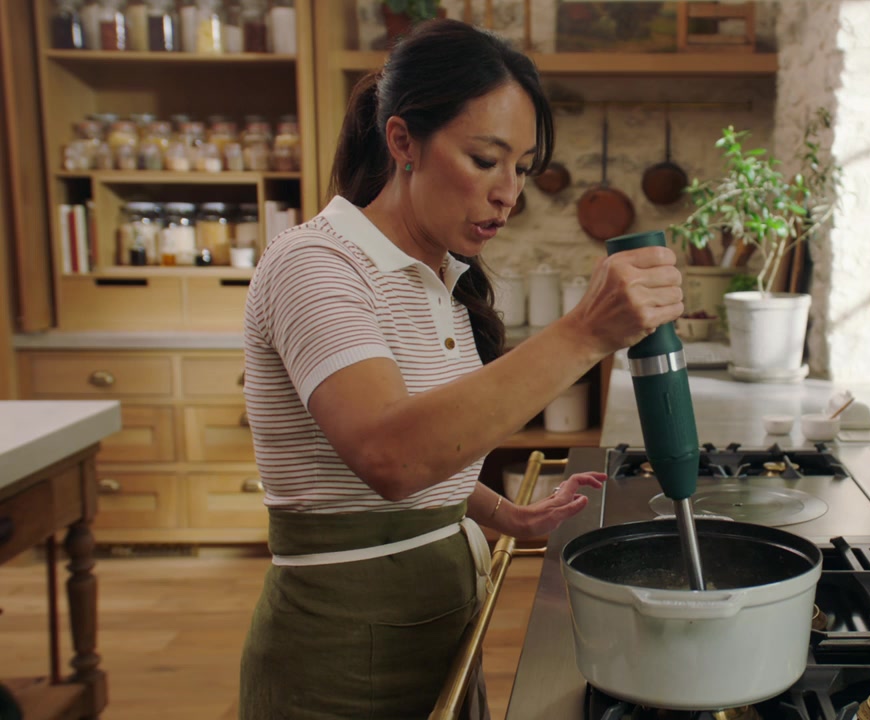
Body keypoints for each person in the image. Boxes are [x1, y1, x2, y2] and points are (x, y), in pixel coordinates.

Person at [237, 18, 683, 719]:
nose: (509, 193)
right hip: (339, 652)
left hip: (439, 626)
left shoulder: (443, 277)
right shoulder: (314, 265)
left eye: (522, 168)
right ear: (402, 142)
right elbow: (391, 456)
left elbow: (430, 443)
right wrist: (585, 333)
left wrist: (501, 512)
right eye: (484, 159)